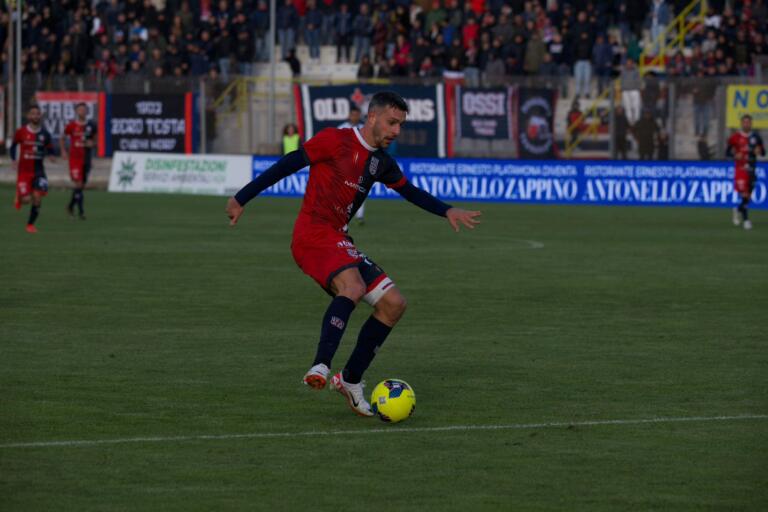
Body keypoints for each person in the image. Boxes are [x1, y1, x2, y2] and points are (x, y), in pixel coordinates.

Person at [225, 91, 481, 417]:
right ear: (372, 117)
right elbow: (288, 164)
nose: (396, 131)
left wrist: (446, 211)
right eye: (392, 122)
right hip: (312, 236)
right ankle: (320, 364)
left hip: (339, 240)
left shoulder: (382, 163)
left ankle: (350, 379)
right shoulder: (335, 140)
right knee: (354, 287)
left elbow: (410, 192)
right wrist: (241, 198)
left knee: (394, 304)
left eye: (401, 125)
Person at [11, 105, 54, 233]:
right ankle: (19, 196)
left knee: (37, 197)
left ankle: (30, 225)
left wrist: (52, 155)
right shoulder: (21, 132)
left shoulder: (45, 134)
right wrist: (13, 160)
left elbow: (50, 147)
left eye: (37, 114)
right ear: (28, 116)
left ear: (40, 116)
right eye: (33, 114)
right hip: (24, 171)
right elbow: (13, 146)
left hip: (39, 171)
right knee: (26, 200)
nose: (35, 116)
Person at [726, 114, 765, 230]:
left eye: (748, 122)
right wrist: (734, 155)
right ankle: (746, 221)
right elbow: (727, 153)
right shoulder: (735, 137)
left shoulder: (756, 137)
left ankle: (737, 209)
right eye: (744, 122)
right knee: (745, 194)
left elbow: (763, 152)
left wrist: (760, 151)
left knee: (748, 197)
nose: (746, 124)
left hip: (752, 169)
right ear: (741, 123)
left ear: (751, 124)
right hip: (741, 169)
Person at [61, 102, 97, 220]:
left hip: (86, 157)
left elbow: (95, 141)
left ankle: (71, 206)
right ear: (76, 112)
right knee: (79, 184)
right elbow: (62, 137)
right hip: (75, 158)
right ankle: (81, 211)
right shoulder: (71, 125)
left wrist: (92, 143)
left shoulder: (91, 125)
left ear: (87, 111)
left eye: (84, 109)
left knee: (81, 186)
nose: (82, 111)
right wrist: (63, 151)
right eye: (79, 109)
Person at [337, 105, 367, 224]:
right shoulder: (341, 128)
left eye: (356, 115)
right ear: (349, 115)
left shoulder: (364, 128)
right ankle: (340, 213)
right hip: (344, 163)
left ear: (359, 115)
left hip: (359, 163)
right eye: (353, 114)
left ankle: (360, 216)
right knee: (342, 189)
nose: (354, 117)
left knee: (360, 188)